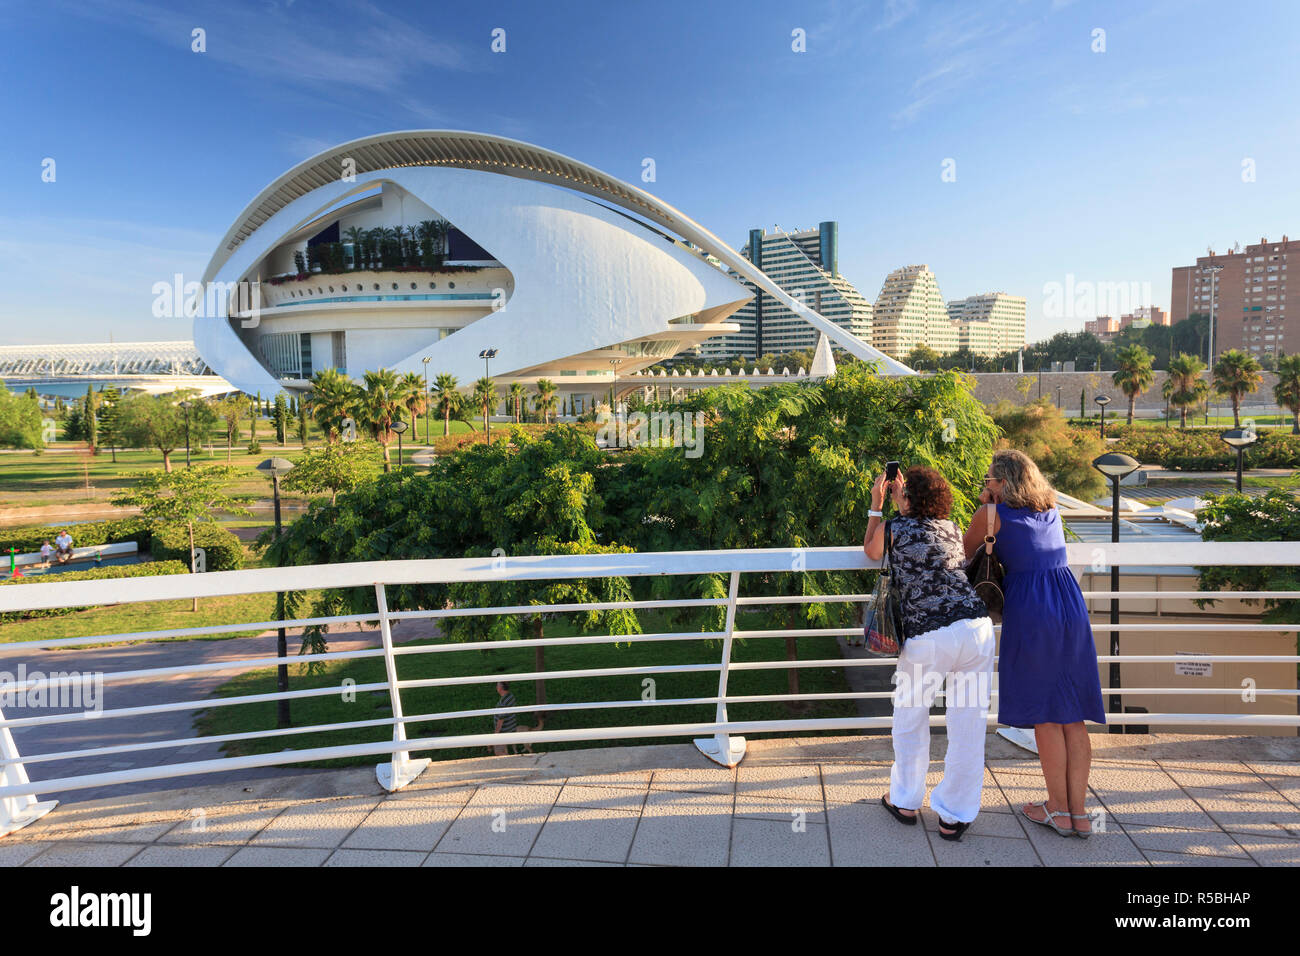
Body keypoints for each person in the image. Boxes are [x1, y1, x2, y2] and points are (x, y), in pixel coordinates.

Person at [962, 448, 1105, 839]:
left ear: (1003, 483)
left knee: (1045, 713)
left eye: (988, 480)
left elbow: (963, 552)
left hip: (1032, 610)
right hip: (1069, 606)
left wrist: (988, 508)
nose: (984, 486)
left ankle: (1057, 811)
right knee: (1071, 715)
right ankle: (1079, 814)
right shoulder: (1052, 510)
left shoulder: (991, 516)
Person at [865, 465, 996, 842]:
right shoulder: (952, 528)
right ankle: (954, 815)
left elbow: (872, 552)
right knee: (968, 722)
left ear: (909, 499)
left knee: (910, 716)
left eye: (900, 493)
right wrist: (900, 501)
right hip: (974, 629)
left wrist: (877, 506)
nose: (895, 496)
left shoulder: (896, 528)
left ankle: (905, 800)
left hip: (929, 636)